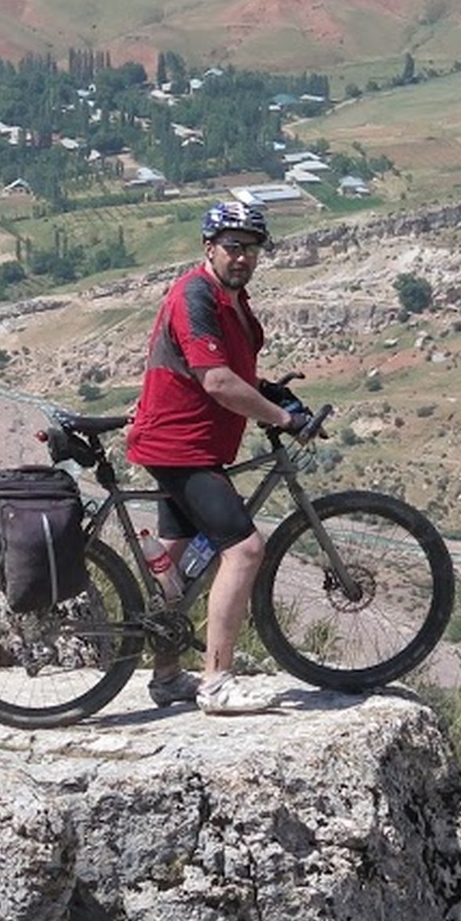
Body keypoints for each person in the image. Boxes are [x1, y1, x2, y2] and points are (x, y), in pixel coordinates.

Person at [127, 198, 320, 714]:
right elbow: (214, 380)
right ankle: (216, 683)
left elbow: (224, 371)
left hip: (191, 444)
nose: (243, 257)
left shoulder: (234, 302)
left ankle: (168, 677)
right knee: (245, 550)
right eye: (234, 247)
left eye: (253, 249)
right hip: (180, 446)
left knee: (177, 568)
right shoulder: (195, 294)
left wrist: (267, 392)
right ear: (208, 248)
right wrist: (283, 419)